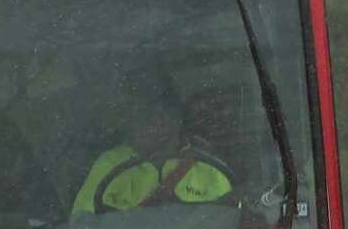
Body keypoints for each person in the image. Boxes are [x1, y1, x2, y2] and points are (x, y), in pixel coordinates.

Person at [70, 65, 235, 216]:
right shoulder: (110, 162)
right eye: (132, 114)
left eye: (147, 113)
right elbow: (83, 227)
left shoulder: (211, 170)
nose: (136, 122)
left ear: (174, 117)